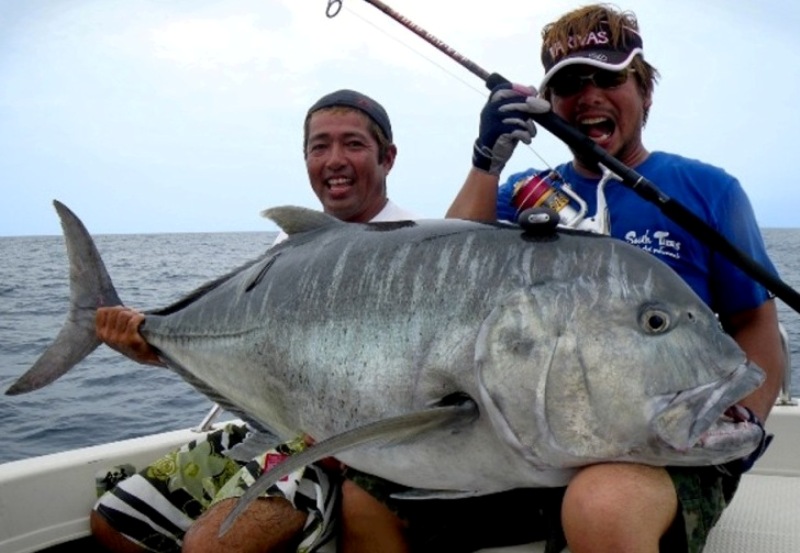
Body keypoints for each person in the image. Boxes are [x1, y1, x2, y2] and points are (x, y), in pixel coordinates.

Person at [439, 3, 782, 552]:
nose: (590, 94)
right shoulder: (520, 194)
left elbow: (755, 323)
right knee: (370, 495)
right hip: (532, 439)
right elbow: (444, 279)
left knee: (600, 506)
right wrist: (485, 162)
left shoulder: (707, 191)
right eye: (572, 82)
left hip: (659, 446)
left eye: (611, 77)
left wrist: (748, 422)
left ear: (645, 92)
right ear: (550, 105)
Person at [89, 88, 415, 553]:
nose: (334, 160)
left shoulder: (415, 248)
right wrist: (154, 347)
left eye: (354, 144)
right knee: (114, 523)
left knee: (211, 547)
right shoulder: (289, 247)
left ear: (388, 158)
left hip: (343, 450)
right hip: (268, 424)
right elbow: (243, 349)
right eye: (319, 146)